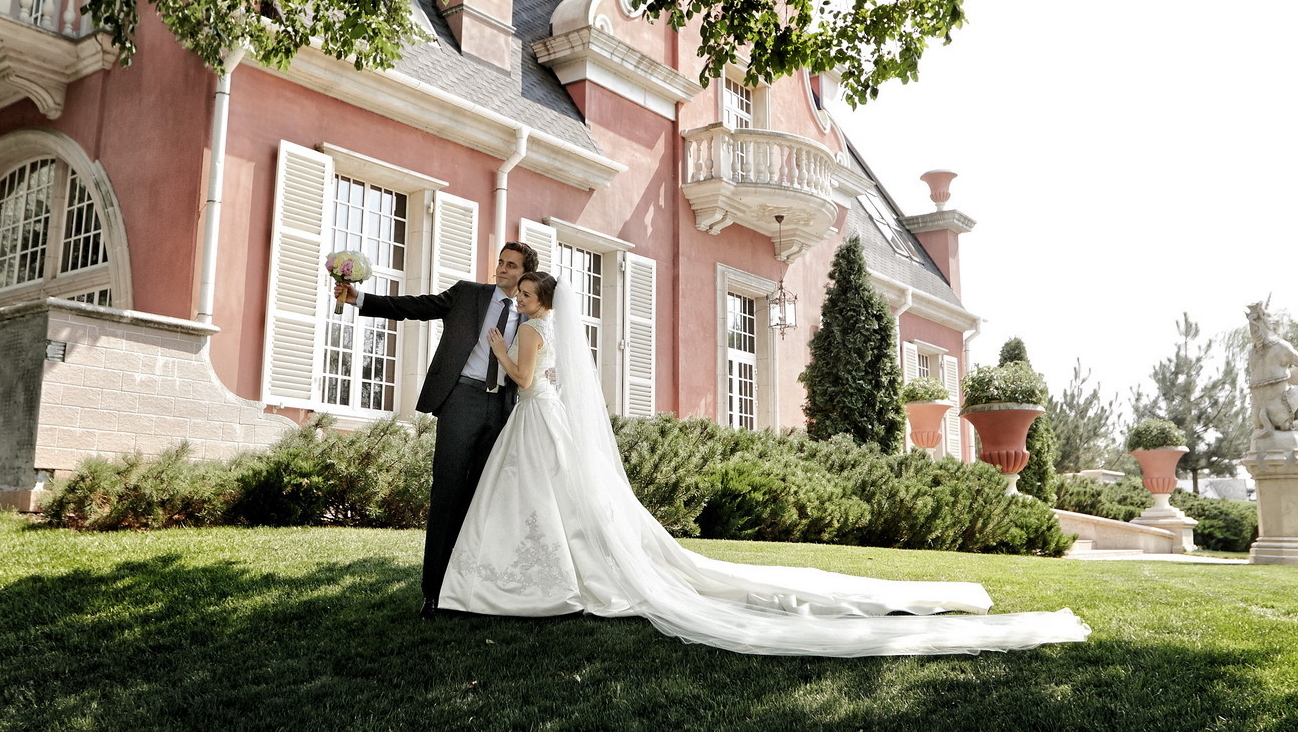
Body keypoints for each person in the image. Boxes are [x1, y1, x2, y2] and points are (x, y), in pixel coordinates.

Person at [435, 273, 1090, 657]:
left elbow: (525, 379)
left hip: (535, 417)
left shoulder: (530, 329)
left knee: (538, 501)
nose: (520, 297)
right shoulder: (552, 328)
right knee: (556, 503)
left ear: (542, 298)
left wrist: (497, 346)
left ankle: (525, 584)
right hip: (546, 421)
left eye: (526, 291)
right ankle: (541, 576)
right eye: (520, 291)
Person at [334, 239, 537, 617]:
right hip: (461, 400)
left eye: (512, 265)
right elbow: (417, 306)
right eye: (501, 262)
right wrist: (360, 299)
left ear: (526, 274)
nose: (502, 268)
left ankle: (470, 588)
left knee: (482, 499)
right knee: (447, 492)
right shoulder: (468, 295)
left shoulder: (531, 314)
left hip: (504, 410)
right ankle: (434, 592)